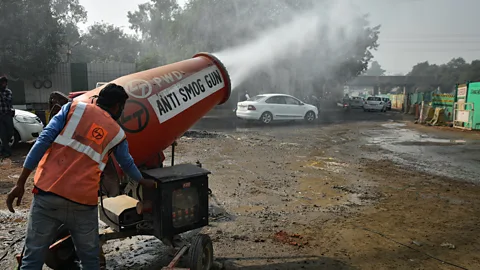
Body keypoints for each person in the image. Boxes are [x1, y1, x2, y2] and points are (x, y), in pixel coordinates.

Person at [6, 83, 156, 270]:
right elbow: (127, 164)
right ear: (117, 106)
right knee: (89, 260)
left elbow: (43, 140)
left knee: (32, 258)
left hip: (47, 195)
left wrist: (21, 182)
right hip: (83, 204)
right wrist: (143, 181)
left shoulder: (73, 108)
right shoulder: (117, 134)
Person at [0, 76, 14, 158]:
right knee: (3, 135)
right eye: (2, 83)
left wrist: (1, 94)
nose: (3, 84)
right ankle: (7, 152)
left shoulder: (8, 92)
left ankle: (2, 148)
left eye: (5, 83)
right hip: (0, 116)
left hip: (7, 115)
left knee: (10, 133)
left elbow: (8, 101)